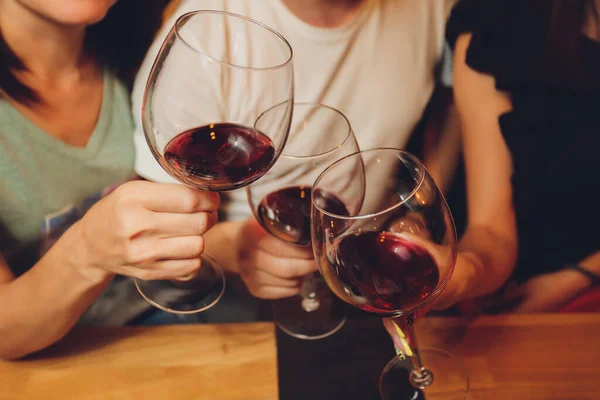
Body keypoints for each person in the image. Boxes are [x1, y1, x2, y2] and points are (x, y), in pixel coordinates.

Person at [133, 0, 460, 304]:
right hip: (239, 292)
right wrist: (234, 250)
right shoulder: (207, 30)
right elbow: (158, 232)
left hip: (370, 263)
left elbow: (451, 103)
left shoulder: (433, 7)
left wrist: (422, 206)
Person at [0, 0, 222, 360]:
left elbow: (150, 236)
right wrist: (87, 251)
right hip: (52, 362)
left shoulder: (149, 53)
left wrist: (239, 246)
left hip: (172, 328)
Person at [434, 0, 600, 313]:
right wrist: (467, 273)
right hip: (513, 281)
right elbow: (491, 228)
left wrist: (578, 278)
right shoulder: (497, 21)